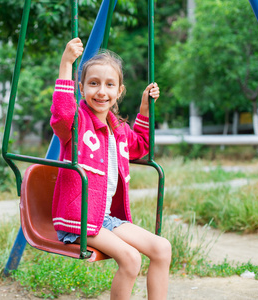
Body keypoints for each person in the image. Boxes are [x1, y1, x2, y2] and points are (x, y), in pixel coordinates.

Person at [50, 38, 172, 300]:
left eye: (109, 84)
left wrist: (144, 108)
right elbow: (61, 114)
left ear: (119, 91)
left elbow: (141, 146)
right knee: (131, 259)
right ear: (81, 88)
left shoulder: (118, 130)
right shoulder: (76, 122)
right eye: (93, 83)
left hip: (104, 219)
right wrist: (66, 64)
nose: (101, 91)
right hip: (77, 220)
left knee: (162, 248)